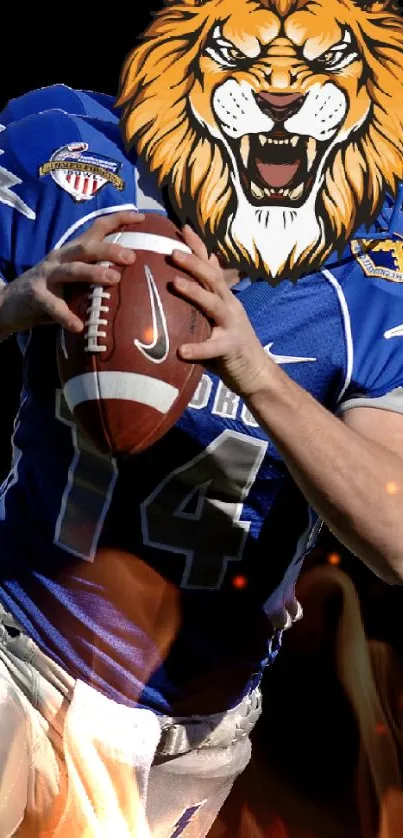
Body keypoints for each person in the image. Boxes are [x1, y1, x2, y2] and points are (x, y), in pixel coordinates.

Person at [0, 0, 403, 834]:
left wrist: (257, 373)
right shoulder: (68, 150)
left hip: (195, 733)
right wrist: (11, 303)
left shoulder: (376, 267)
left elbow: (396, 538)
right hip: (24, 653)